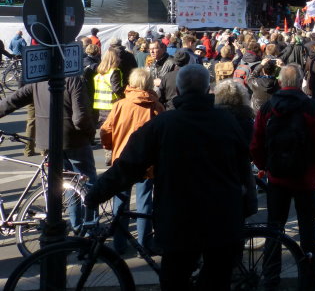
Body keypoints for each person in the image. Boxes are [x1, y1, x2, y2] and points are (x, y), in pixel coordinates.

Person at [86, 64, 253, 290]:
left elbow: (128, 166)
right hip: (222, 217)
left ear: (179, 91)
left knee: (175, 278)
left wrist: (96, 194)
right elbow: (244, 169)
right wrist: (248, 203)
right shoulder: (226, 122)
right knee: (216, 278)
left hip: (179, 218)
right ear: (207, 90)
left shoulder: (163, 124)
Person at [250, 63, 315, 288]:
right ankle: (307, 276)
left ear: (280, 82)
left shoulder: (267, 107)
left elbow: (256, 143)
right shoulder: (311, 107)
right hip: (306, 177)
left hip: (277, 177)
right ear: (299, 82)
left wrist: (264, 166)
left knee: (274, 228)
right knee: (307, 228)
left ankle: (270, 277)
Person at [0, 75, 96, 230]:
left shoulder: (39, 80)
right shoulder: (73, 79)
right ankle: (89, 227)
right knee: (87, 183)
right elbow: (80, 118)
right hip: (74, 140)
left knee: (70, 182)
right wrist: (90, 134)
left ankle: (77, 224)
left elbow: (12, 101)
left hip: (49, 140)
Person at [100, 68, 164, 254]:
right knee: (145, 202)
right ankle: (144, 243)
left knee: (120, 202)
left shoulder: (120, 105)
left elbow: (106, 130)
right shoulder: (155, 106)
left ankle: (119, 244)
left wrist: (110, 146)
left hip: (123, 158)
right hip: (147, 161)